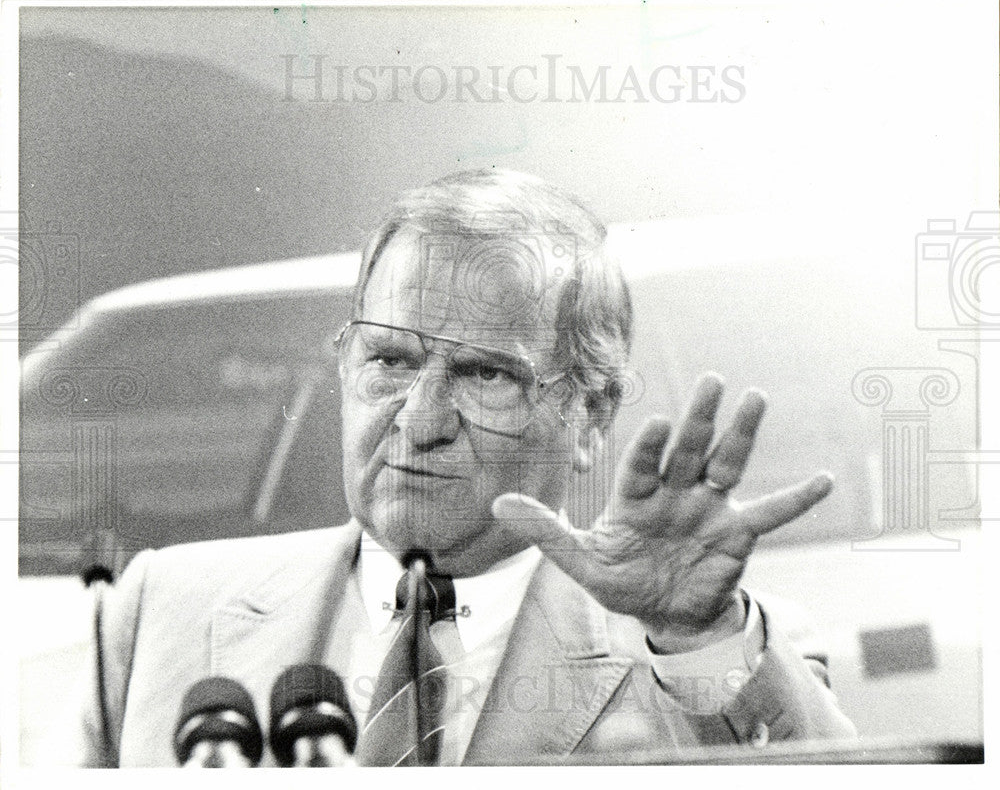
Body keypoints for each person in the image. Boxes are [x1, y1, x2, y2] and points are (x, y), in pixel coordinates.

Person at [77, 169, 856, 767]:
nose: (419, 421)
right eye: (389, 358)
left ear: (589, 414)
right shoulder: (154, 614)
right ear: (345, 363)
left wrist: (698, 634)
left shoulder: (709, 647)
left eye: (486, 374)